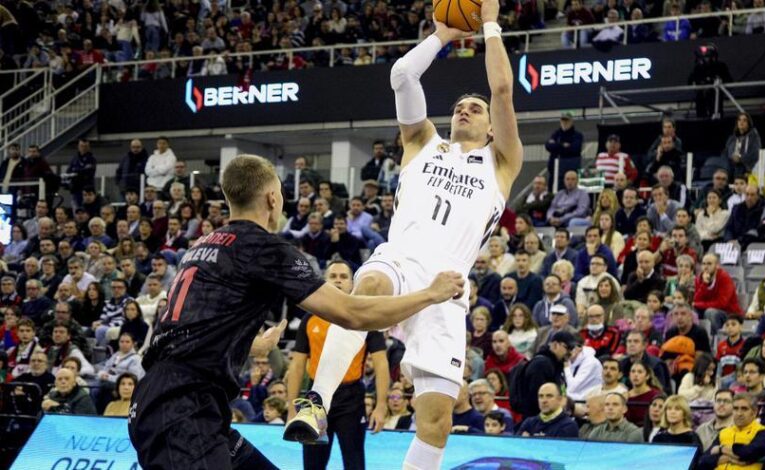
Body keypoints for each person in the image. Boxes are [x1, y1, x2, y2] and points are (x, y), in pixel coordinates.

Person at [287, 12, 523, 468]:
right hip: (400, 261)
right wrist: (442, 35)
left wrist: (491, 23)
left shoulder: (502, 162)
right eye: (459, 106)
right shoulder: (422, 142)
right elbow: (402, 75)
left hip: (447, 289)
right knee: (365, 289)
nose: (464, 110)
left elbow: (502, 91)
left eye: (474, 109)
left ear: (492, 128)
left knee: (435, 421)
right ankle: (317, 402)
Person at [128, 155, 465, 469]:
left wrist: (251, 347)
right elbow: (352, 313)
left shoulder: (202, 245)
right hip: (181, 410)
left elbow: (182, 329)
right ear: (273, 199)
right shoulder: (264, 248)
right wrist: (430, 294)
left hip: (175, 401)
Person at [285, 260, 390, 470]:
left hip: (351, 399)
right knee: (312, 465)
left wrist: (380, 406)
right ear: (324, 281)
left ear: (352, 283)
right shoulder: (310, 319)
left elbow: (381, 364)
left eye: (343, 277)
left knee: (354, 463)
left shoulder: (365, 317)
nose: (338, 281)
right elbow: (297, 366)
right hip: (316, 399)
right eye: (333, 277)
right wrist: (291, 408)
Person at [699, 393, 765, 469]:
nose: (739, 413)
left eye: (744, 409)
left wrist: (721, 449)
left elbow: (749, 453)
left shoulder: (764, 432)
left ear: (754, 412)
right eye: (735, 408)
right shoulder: (724, 432)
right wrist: (727, 459)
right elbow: (703, 461)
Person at [516, 331, 574, 418]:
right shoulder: (541, 365)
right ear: (555, 345)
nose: (570, 353)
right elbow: (535, 398)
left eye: (572, 349)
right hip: (538, 420)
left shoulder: (556, 364)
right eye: (567, 348)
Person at [693, 253, 741, 335]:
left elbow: (722, 303)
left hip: (729, 314)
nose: (706, 267)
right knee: (691, 311)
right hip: (708, 309)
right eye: (703, 264)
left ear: (717, 266)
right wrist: (704, 284)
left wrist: (699, 305)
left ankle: (715, 340)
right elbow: (696, 299)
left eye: (709, 264)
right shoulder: (699, 279)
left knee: (710, 312)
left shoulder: (724, 278)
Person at [620, 330, 672, 394]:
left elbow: (661, 391)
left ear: (644, 345)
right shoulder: (621, 364)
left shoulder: (656, 365)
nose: (631, 344)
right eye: (629, 341)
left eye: (636, 341)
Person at [545, 112, 583, 191]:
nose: (565, 123)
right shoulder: (556, 134)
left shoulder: (577, 135)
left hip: (570, 171)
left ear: (571, 121)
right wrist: (562, 145)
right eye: (563, 120)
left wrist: (556, 146)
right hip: (554, 171)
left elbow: (575, 149)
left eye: (567, 120)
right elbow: (548, 146)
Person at [722, 112, 762, 179]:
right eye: (739, 120)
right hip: (732, 170)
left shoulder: (754, 137)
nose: (741, 122)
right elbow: (725, 153)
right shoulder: (732, 139)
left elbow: (755, 153)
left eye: (744, 120)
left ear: (748, 123)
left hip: (747, 171)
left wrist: (741, 159)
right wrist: (732, 158)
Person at [724, 184, 764, 250]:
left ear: (758, 196)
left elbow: (757, 231)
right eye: (747, 194)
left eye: (752, 195)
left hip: (754, 245)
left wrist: (739, 241)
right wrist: (729, 240)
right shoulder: (736, 208)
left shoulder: (764, 209)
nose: (749, 198)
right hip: (734, 245)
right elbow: (729, 228)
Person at [564, 337, 603, 401]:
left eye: (570, 348)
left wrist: (566, 368)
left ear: (580, 348)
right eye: (566, 348)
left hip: (590, 401)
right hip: (575, 400)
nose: (567, 351)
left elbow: (572, 387)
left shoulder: (591, 362)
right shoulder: (570, 361)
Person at [626, 361, 663, 427]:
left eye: (640, 372)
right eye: (633, 371)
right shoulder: (624, 395)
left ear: (647, 376)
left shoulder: (656, 395)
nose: (635, 375)